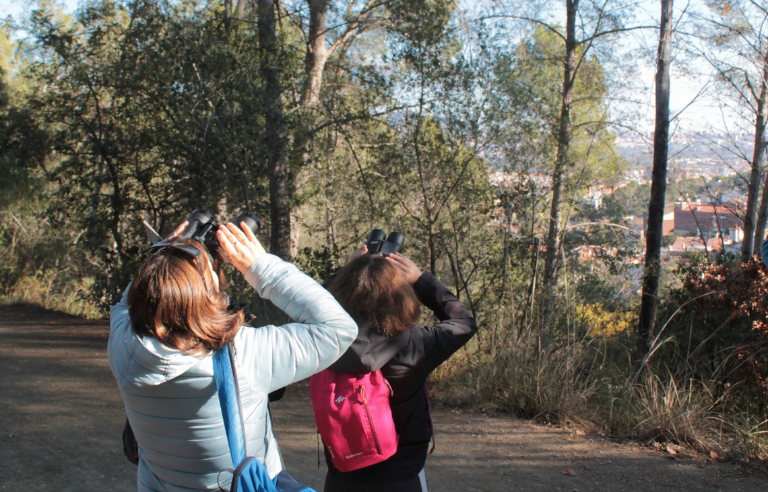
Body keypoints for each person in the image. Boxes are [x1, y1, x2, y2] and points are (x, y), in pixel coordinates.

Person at [108, 221, 358, 491]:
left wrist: (165, 255)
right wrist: (261, 266)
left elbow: (131, 300)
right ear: (209, 293)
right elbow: (338, 329)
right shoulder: (244, 354)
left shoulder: (122, 346)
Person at [320, 245, 478, 492]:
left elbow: (306, 308)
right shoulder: (415, 344)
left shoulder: (322, 343)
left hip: (341, 477)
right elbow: (463, 323)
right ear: (401, 297)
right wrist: (421, 281)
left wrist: (344, 274)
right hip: (400, 477)